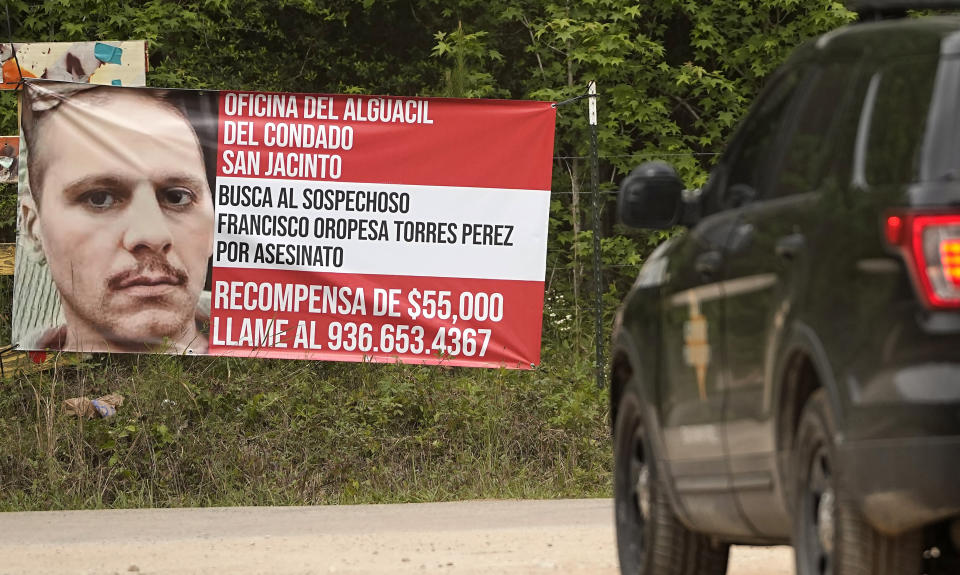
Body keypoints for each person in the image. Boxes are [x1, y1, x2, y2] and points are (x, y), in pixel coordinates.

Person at [18, 81, 215, 354]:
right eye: (100, 199)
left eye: (176, 197)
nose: (152, 235)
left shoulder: (269, 346)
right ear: (32, 228)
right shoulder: (28, 381)